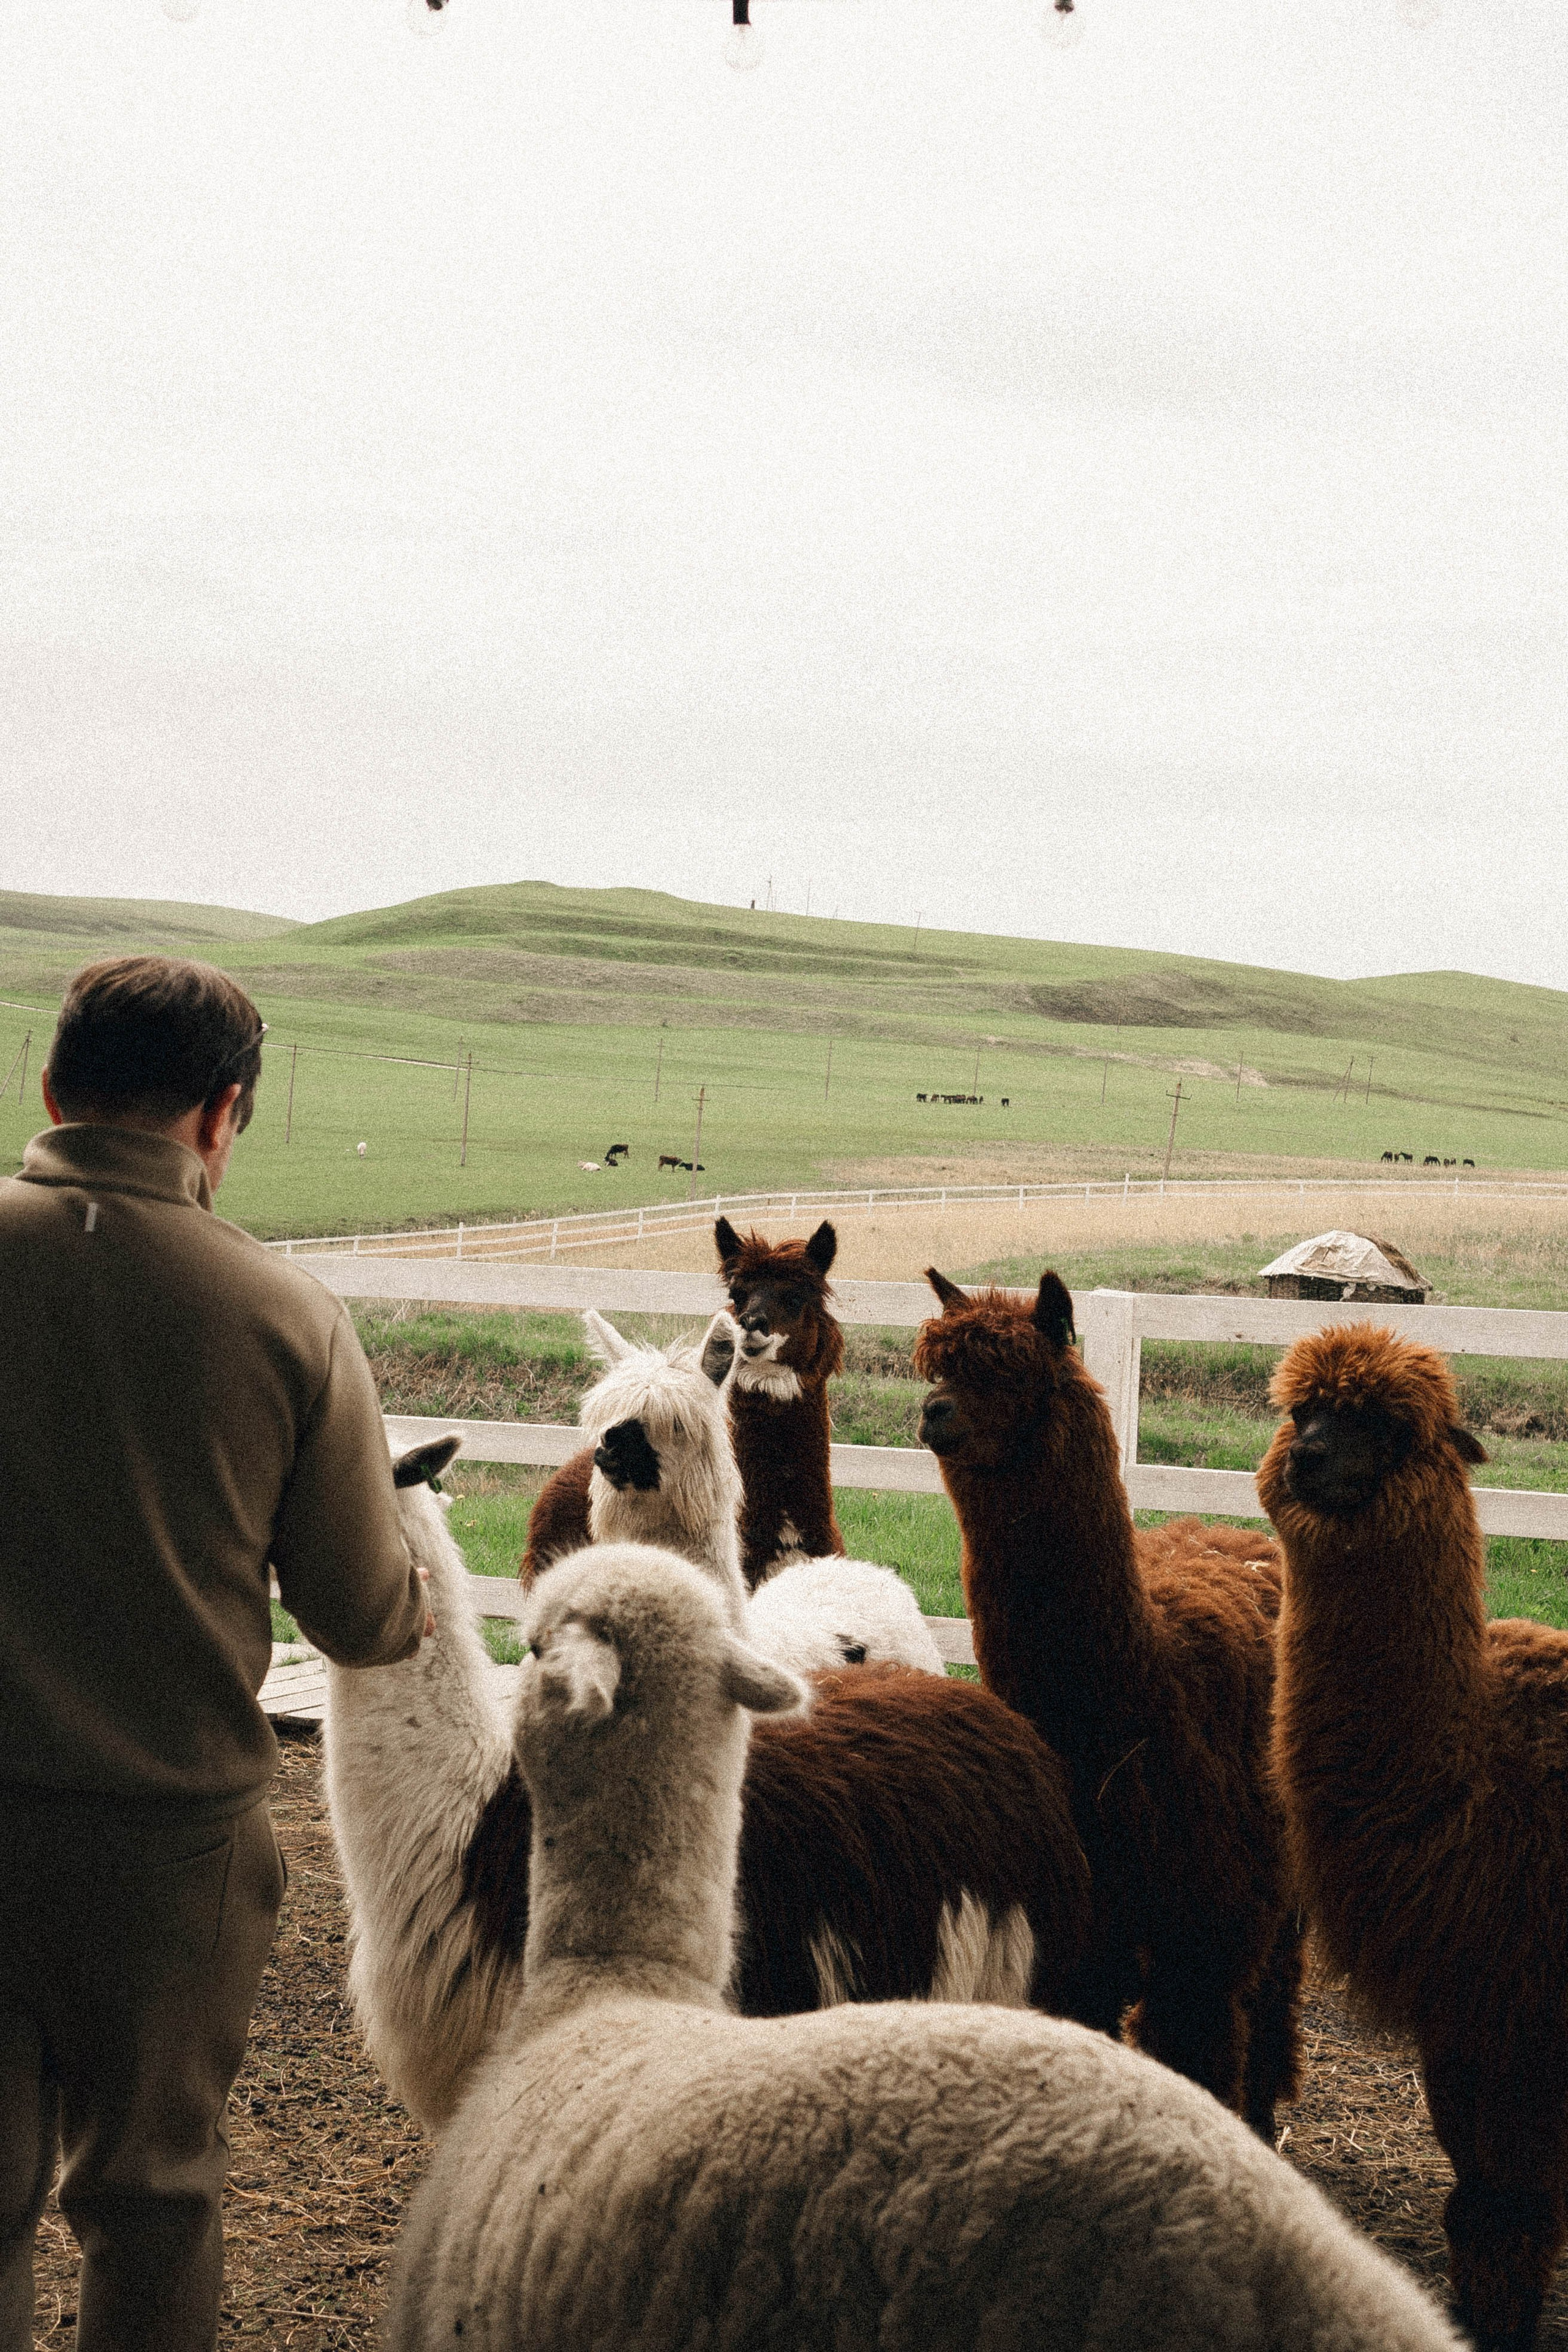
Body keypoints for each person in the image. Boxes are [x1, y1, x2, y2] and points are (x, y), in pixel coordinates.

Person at [0, 956, 430, 2352]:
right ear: (222, 1113)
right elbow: (361, 1617)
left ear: (51, 1086)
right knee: (152, 2200)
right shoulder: (284, 1316)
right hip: (164, 1849)